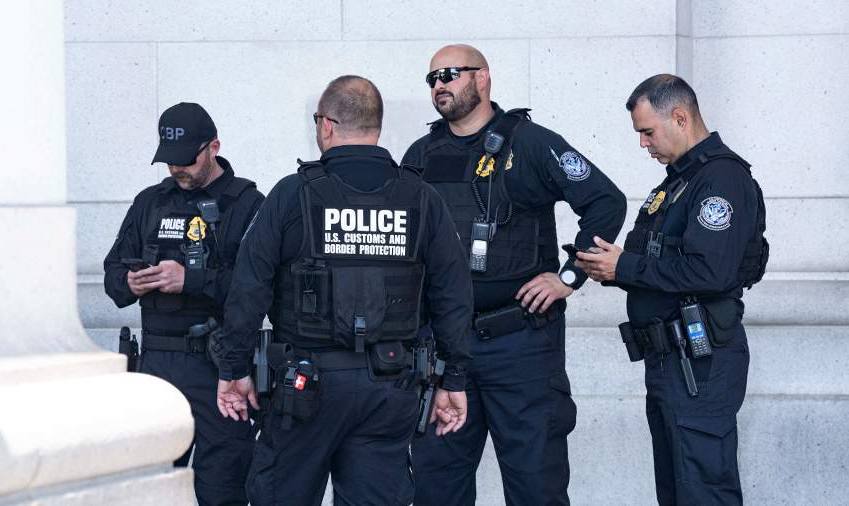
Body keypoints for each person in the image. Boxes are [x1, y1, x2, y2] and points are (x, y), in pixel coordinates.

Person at [213, 75, 473, 506]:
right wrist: (455, 378)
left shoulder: (292, 194)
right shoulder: (421, 197)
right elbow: (454, 295)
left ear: (327, 125)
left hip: (303, 386)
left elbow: (248, 288)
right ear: (377, 127)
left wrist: (233, 369)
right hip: (390, 385)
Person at [402, 44, 627, 506]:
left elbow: (606, 202)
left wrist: (569, 276)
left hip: (520, 345)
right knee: (436, 487)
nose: (439, 84)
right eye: (432, 78)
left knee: (535, 486)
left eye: (450, 74)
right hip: (444, 346)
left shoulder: (531, 143)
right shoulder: (421, 154)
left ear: (482, 77)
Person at [576, 74, 768, 505]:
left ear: (680, 118)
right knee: (677, 488)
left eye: (648, 132)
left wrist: (626, 266)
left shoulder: (721, 179)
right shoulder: (679, 182)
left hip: (699, 360)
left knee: (702, 489)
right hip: (669, 358)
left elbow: (709, 272)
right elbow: (662, 263)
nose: (643, 144)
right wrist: (613, 268)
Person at [103, 102, 264, 506]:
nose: (177, 169)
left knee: (221, 492)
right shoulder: (150, 202)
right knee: (149, 492)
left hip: (219, 368)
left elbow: (259, 289)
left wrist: (190, 280)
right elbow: (112, 275)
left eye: (187, 159)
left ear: (214, 147)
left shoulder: (246, 203)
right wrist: (129, 282)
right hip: (157, 367)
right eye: (170, 160)